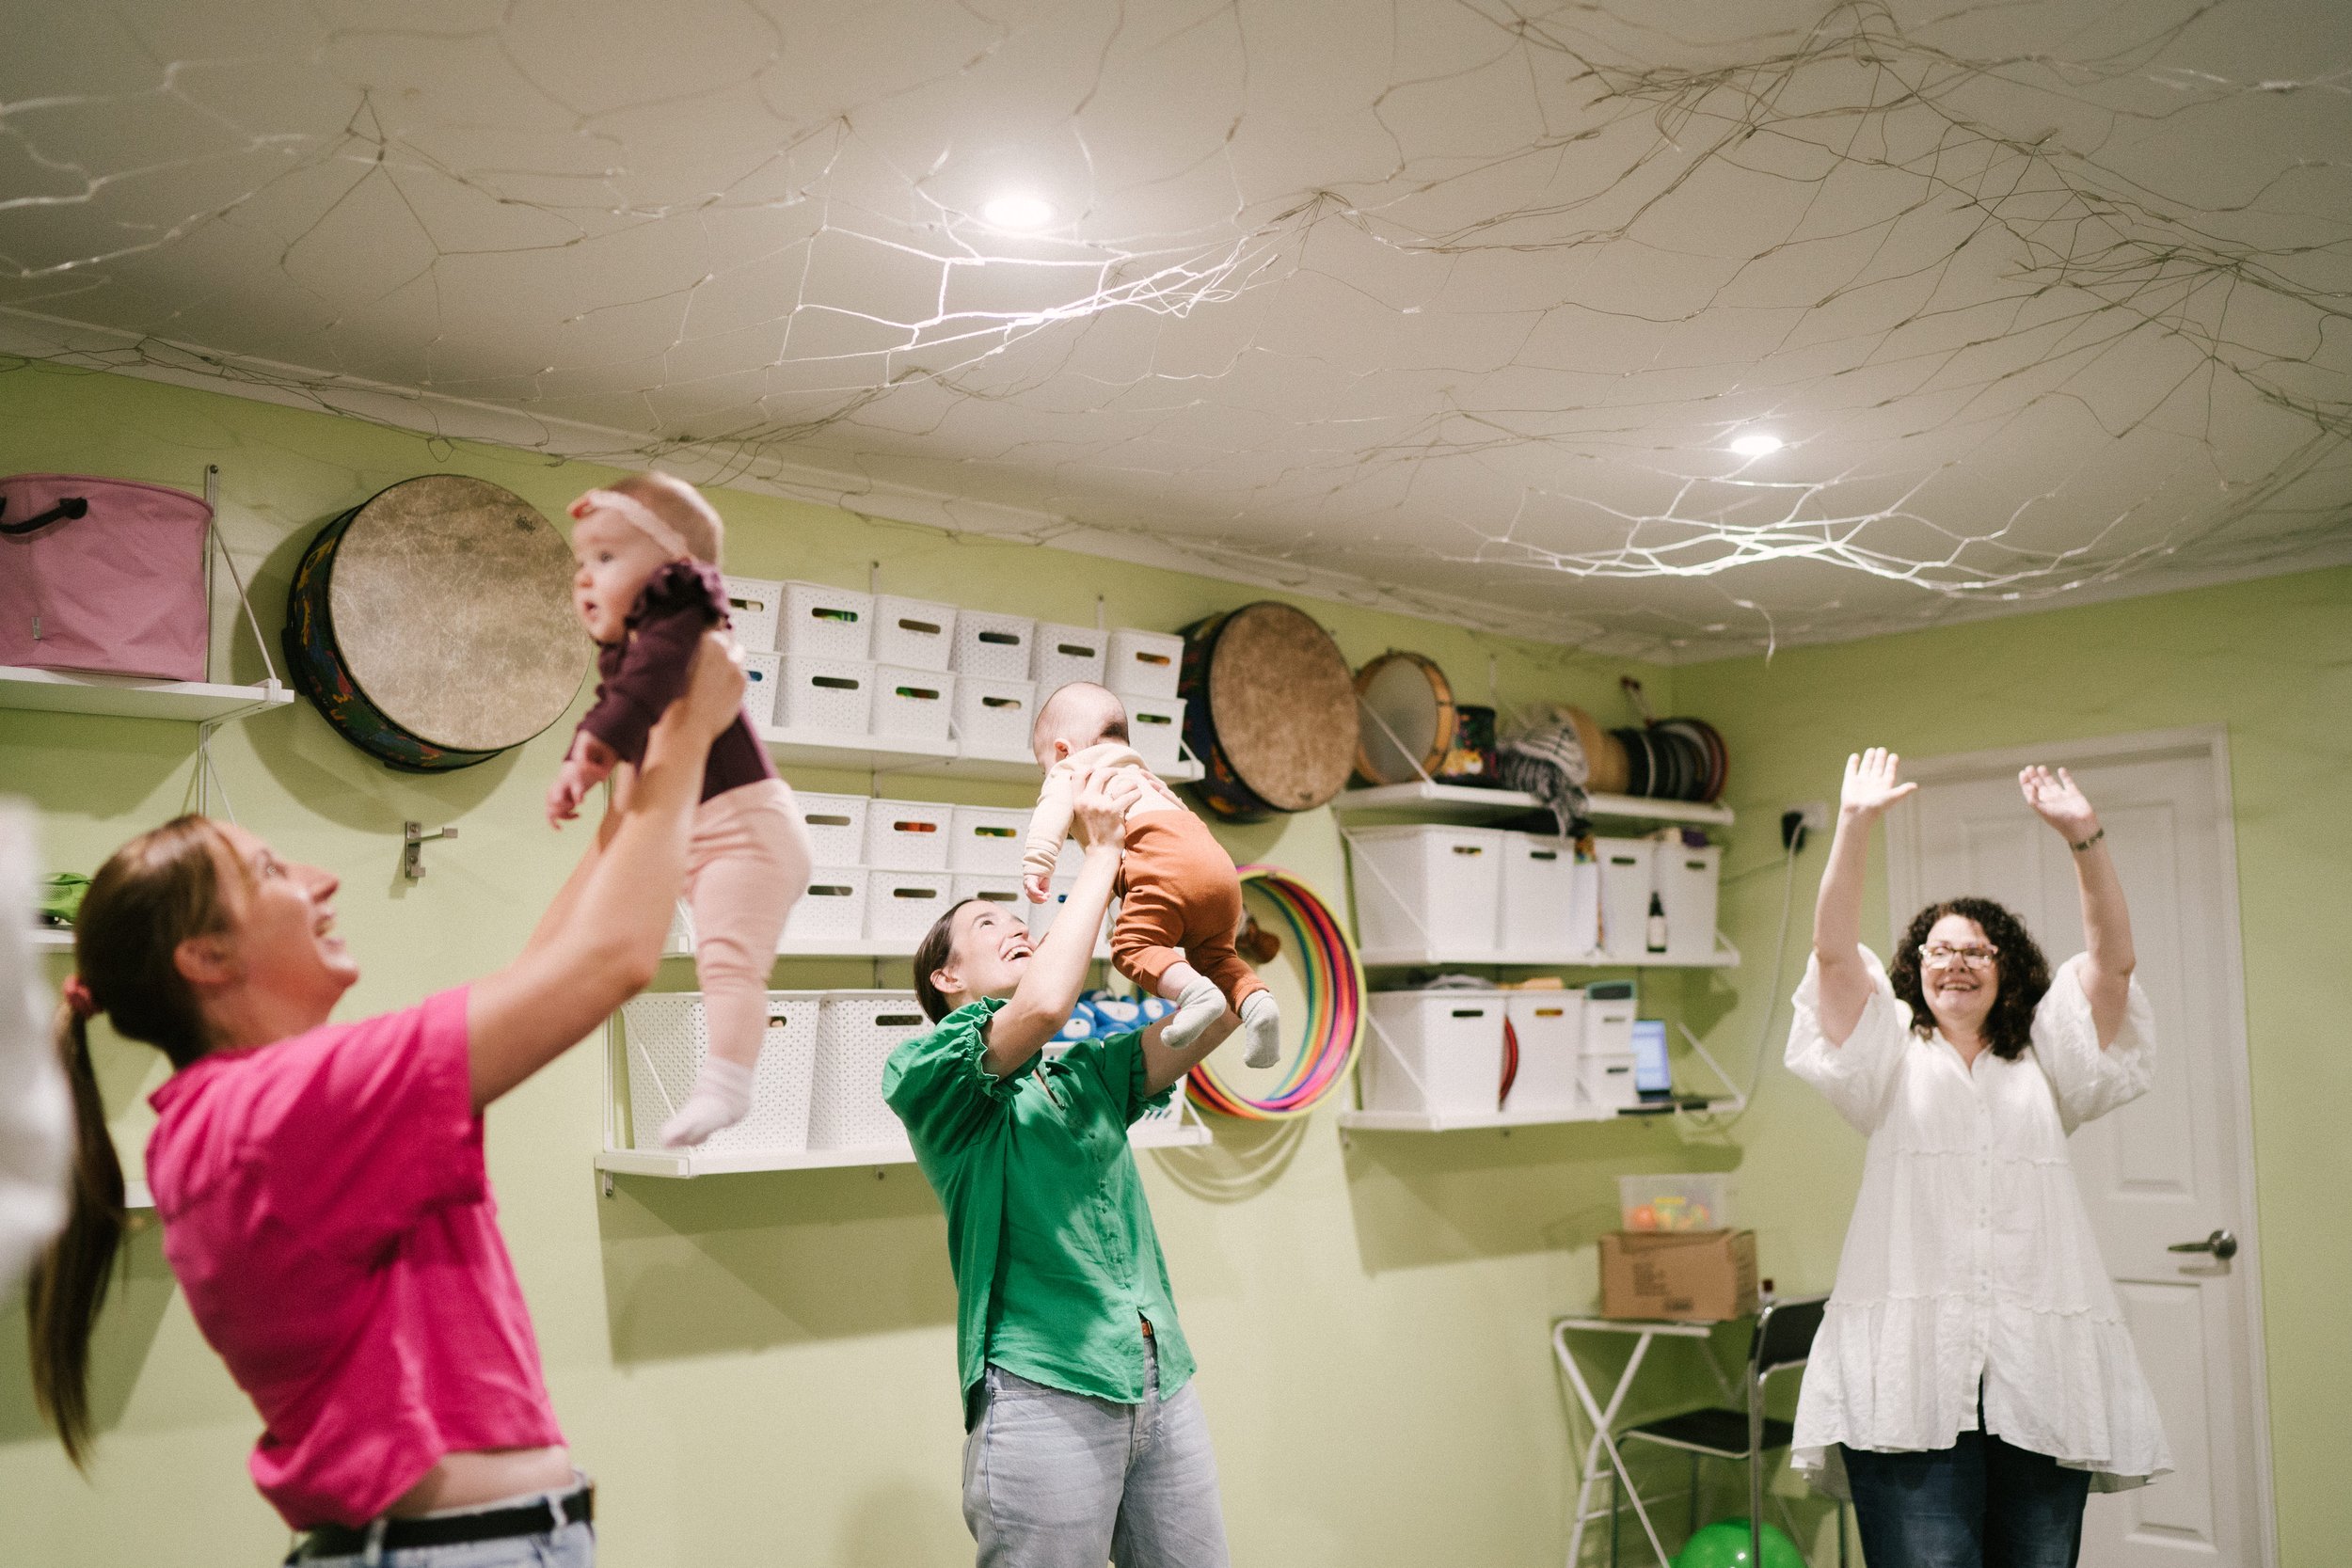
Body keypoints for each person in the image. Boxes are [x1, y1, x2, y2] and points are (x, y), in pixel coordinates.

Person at [23, 626, 747, 1565]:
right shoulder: (274, 1111)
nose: (321, 880)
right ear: (203, 958)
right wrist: (692, 738)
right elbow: (610, 962)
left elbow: (548, 972)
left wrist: (638, 788)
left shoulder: (235, 1114)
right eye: (274, 872)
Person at [1787, 748, 2170, 1566]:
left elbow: (2113, 964)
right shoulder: (1882, 1049)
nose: (1956, 961)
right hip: (1908, 1380)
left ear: (2008, 970)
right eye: (1938, 950)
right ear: (1914, 969)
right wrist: (1853, 825)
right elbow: (1829, 954)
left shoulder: (2047, 1057)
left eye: (1977, 951)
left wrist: (2085, 839)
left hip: (2040, 1372)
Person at [888, 764, 1240, 1568]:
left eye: (1019, 917)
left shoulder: (1080, 1069)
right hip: (1044, 1390)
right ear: (946, 977)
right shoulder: (926, 1072)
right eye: (986, 924)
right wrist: (1103, 852)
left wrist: (1202, 902)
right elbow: (1044, 1003)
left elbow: (1204, 1019)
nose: (1015, 923)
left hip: (1158, 1371)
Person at [550, 472, 810, 1147]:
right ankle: (723, 1082)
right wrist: (589, 754)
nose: (584, 578)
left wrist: (589, 751)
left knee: (727, 963)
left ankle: (726, 1087)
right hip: (706, 835)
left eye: (605, 559)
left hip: (746, 834)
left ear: (675, 569)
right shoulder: (645, 649)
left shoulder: (684, 622)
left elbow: (638, 695)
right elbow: (626, 703)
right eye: (582, 561)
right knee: (693, 952)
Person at [1021, 681, 1279, 1068]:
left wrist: (1038, 863)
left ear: (1061, 749)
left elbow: (1049, 816)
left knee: (1131, 947)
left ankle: (1196, 996)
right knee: (1215, 955)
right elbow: (1115, 871)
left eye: (1045, 767)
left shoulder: (1074, 768)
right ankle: (1259, 1005)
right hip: (1219, 869)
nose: (1049, 774)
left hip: (1167, 866)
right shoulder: (1144, 776)